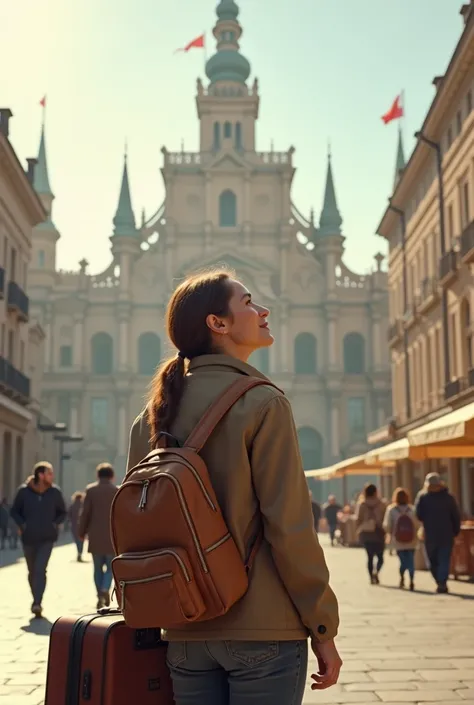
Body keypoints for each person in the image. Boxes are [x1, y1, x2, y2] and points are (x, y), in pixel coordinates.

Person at [126, 270, 342, 705]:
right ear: (217, 323)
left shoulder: (153, 416)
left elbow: (137, 530)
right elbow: (290, 527)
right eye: (248, 302)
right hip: (262, 629)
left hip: (185, 630)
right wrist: (322, 627)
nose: (263, 310)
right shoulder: (263, 402)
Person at [10, 462, 67, 618]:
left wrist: (55, 523)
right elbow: (14, 511)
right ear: (40, 475)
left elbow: (62, 512)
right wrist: (22, 524)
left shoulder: (55, 492)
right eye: (49, 473)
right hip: (28, 538)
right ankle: (35, 598)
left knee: (40, 569)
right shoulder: (24, 492)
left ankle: (37, 602)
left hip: (47, 538)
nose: (52, 476)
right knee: (32, 571)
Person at [78, 463, 118, 608]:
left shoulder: (91, 490)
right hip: (112, 538)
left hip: (95, 536)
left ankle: (99, 594)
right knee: (110, 568)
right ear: (112, 476)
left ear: (97, 475)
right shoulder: (116, 490)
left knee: (97, 568)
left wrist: (81, 532)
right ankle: (104, 588)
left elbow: (85, 514)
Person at [416, 472, 461, 594]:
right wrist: (456, 531)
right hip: (442, 534)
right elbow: (456, 517)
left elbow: (418, 515)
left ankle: (441, 582)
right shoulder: (447, 497)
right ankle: (442, 582)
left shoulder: (424, 497)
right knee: (440, 560)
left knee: (435, 561)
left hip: (432, 535)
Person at [383, 487, 418, 591]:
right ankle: (411, 579)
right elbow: (417, 524)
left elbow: (387, 525)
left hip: (398, 540)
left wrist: (389, 534)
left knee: (403, 561)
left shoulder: (391, 509)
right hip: (412, 540)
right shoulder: (412, 509)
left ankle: (402, 576)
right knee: (411, 560)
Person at [356, 484, 386, 585]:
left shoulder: (362, 504)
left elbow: (358, 519)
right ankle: (376, 572)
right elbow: (385, 519)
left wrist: (357, 531)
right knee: (380, 558)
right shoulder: (381, 504)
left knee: (369, 557)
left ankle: (371, 577)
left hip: (366, 533)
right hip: (379, 533)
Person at [68, 492, 85, 562]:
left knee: (77, 541)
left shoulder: (72, 506)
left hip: (74, 527)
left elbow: (69, 516)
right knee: (81, 541)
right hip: (82, 526)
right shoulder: (83, 505)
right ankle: (80, 553)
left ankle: (79, 553)